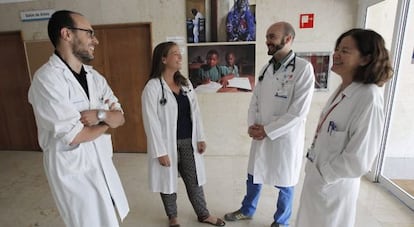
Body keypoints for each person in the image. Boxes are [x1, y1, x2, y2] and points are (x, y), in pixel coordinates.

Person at [28, 10, 129, 227]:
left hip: (101, 163)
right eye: (89, 33)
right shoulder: (47, 80)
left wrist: (100, 116)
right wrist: (106, 121)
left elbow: (120, 117)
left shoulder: (95, 77)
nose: (96, 40)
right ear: (67, 34)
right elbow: (75, 135)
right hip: (73, 173)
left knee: (110, 218)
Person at [296, 28, 393, 227]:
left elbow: (359, 160)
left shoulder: (369, 98)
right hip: (319, 180)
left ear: (365, 59)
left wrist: (325, 175)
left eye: (345, 51)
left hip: (333, 187)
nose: (336, 55)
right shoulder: (345, 89)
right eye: (337, 49)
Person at [224, 21, 315, 227]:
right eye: (267, 36)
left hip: (285, 137)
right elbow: (254, 100)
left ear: (288, 39)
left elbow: (298, 112)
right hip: (260, 133)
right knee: (253, 174)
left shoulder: (303, 69)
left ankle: (281, 221)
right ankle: (247, 209)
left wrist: (268, 130)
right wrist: (252, 126)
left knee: (286, 182)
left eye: (272, 37)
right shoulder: (266, 69)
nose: (267, 41)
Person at [141, 41, 225, 227]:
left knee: (194, 179)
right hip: (166, 144)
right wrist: (159, 151)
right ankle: (173, 217)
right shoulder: (153, 87)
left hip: (188, 142)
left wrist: (201, 137)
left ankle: (203, 214)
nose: (180, 57)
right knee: (167, 181)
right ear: (163, 59)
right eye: (175, 53)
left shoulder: (185, 83)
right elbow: (150, 122)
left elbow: (196, 113)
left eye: (180, 53)